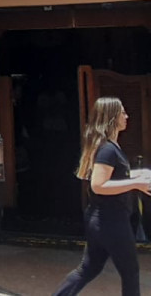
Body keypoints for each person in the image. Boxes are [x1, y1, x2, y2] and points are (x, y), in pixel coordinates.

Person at [54, 97, 149, 296]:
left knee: (89, 268)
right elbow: (99, 185)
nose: (126, 116)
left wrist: (139, 175)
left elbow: (113, 177)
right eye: (122, 112)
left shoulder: (110, 147)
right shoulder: (107, 150)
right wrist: (136, 184)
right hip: (110, 221)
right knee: (130, 271)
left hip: (102, 219)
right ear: (112, 117)